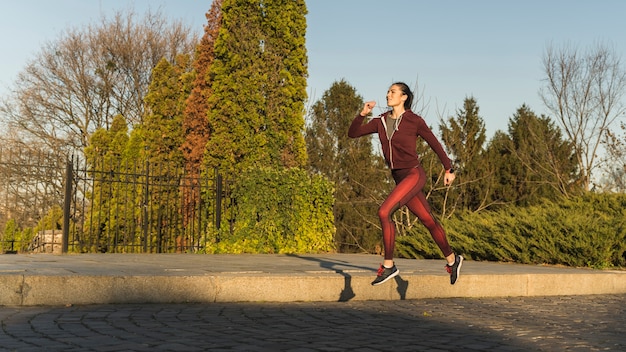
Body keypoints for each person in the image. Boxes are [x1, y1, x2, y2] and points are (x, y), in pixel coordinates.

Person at [348, 82, 463, 286]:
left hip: (414, 174)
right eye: (387, 92)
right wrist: (362, 113)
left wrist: (448, 168)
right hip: (399, 178)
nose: (388, 95)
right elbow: (353, 133)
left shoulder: (413, 120)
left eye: (392, 92)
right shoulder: (380, 121)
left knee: (384, 212)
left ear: (404, 97)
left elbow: (434, 142)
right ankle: (453, 260)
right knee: (428, 220)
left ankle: (389, 265)